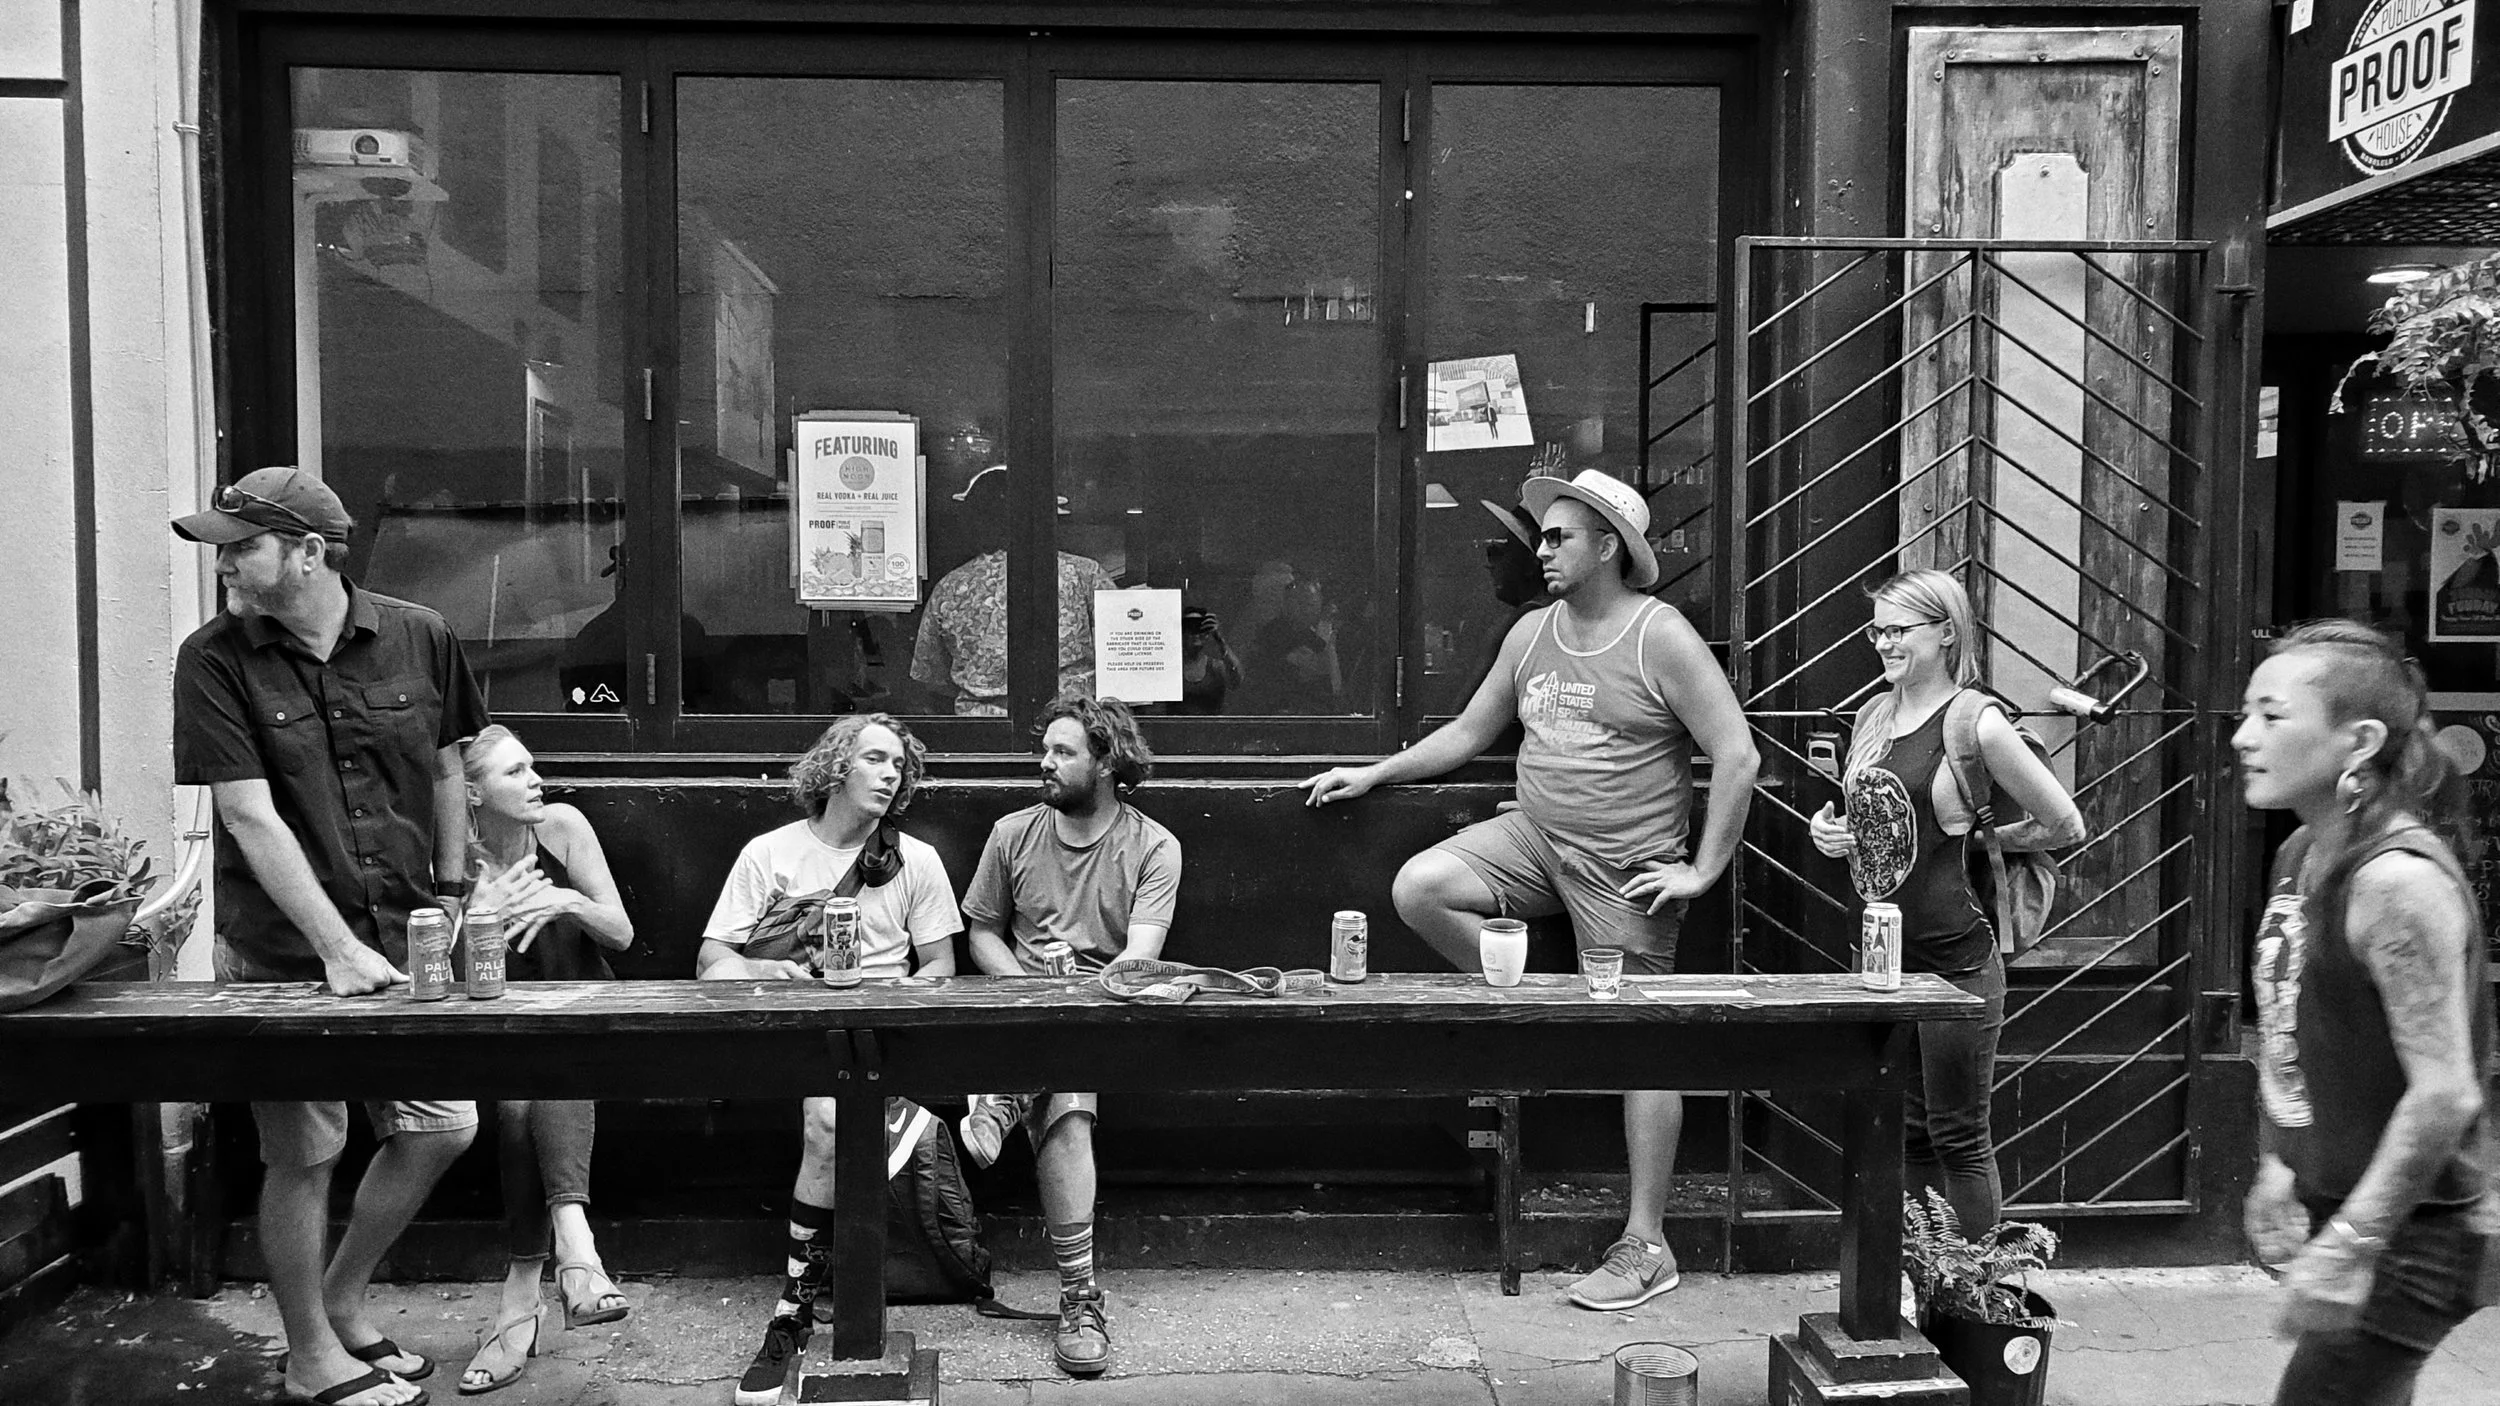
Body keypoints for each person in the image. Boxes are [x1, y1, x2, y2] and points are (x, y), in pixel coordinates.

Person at [1301, 467, 1760, 1313]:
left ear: (1608, 547)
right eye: (1542, 537)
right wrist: (1374, 774)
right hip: (1533, 839)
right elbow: (1471, 731)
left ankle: (1647, 1244)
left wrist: (1701, 870)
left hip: (1624, 864)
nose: (1540, 550)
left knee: (1644, 1047)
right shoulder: (1531, 632)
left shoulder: (1660, 636)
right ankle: (1547, 1009)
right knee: (1421, 887)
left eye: (1558, 537)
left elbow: (1737, 754)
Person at [171, 466, 490, 1406]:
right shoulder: (214, 658)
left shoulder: (420, 635)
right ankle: (311, 1355)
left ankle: (342, 1299)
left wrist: (454, 889)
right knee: (305, 1152)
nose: (224, 566)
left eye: (242, 548)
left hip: (404, 934)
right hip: (281, 954)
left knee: (443, 1125)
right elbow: (247, 813)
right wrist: (334, 949)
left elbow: (447, 768)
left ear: (310, 552)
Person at [2234, 620, 2494, 1405]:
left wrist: (2351, 1244)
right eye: (2246, 713)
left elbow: (2445, 1093)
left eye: (2272, 716)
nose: (2244, 737)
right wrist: (2280, 1162)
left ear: (2360, 741)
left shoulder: (2395, 884)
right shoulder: (2300, 853)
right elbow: (2292, 1023)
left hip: (2414, 1236)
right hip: (2346, 1208)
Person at [1806, 569, 2085, 1237]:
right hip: (1880, 959)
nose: (1884, 643)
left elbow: (2065, 824)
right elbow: (1878, 824)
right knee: (1906, 1131)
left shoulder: (1976, 722)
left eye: (1899, 630)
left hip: (1955, 961)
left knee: (1957, 1134)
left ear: (1947, 633)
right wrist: (1832, 835)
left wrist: (1980, 839)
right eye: (1877, 630)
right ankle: (1919, 1277)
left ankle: (1972, 1284)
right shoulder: (1873, 715)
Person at [695, 714, 964, 1406]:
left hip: (881, 1039)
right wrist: (768, 973)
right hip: (792, 1036)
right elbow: (711, 962)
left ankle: (793, 1310)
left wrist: (899, 996)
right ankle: (803, 1312)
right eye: (875, 759)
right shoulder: (771, 854)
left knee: (831, 1117)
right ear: (836, 768)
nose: (890, 774)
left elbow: (940, 966)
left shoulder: (915, 861)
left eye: (899, 765)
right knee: (830, 1110)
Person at [957, 693, 1181, 1376]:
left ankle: (1005, 1098)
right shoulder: (1012, 833)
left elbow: (1139, 959)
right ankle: (1080, 1297)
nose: (1044, 763)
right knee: (1069, 1106)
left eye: (1063, 751)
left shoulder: (1153, 846)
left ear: (1107, 762)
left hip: (1104, 1009)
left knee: (1068, 1074)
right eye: (1044, 750)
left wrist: (1077, 988)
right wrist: (1030, 986)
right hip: (1020, 1007)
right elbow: (983, 935)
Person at [454, 725, 636, 1395]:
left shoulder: (561, 828)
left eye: (533, 766)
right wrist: (481, 915)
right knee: (520, 1091)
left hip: (582, 1022)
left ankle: (522, 1295)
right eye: (514, 772)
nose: (536, 781)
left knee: (538, 1082)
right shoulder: (451, 858)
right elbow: (438, 973)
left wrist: (566, 899)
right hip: (491, 1036)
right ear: (472, 793)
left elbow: (621, 933)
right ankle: (576, 1255)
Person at [912, 465, 1117, 715]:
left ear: (976, 519)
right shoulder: (1086, 574)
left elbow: (931, 676)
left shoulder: (950, 587)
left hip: (981, 727)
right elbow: (1120, 659)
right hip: (1069, 722)